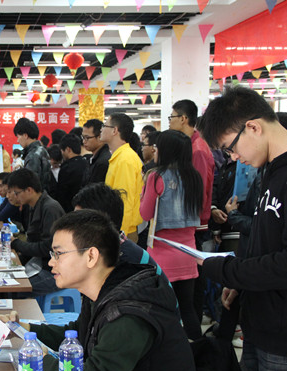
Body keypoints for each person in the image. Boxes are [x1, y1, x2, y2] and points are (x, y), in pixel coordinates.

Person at [198, 85, 287, 371]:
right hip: (264, 326)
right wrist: (242, 281)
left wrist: (229, 270)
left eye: (231, 148)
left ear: (253, 127)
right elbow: (267, 242)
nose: (234, 158)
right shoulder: (272, 173)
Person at [0, 210, 198, 371]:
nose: (51, 262)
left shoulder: (126, 315)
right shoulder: (103, 291)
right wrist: (26, 329)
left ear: (91, 256)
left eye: (58, 254)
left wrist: (42, 360)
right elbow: (80, 334)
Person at [140, 130, 203, 340]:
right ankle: (197, 352)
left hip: (162, 254)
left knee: (160, 310)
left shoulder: (156, 177)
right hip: (189, 253)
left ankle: (167, 352)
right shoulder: (194, 177)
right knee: (187, 308)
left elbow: (145, 213)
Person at [169, 99, 215, 323]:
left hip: (194, 225)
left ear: (183, 119)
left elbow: (198, 191)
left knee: (193, 282)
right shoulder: (190, 146)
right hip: (191, 223)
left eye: (172, 117)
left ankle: (193, 329)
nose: (169, 122)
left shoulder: (197, 150)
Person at [72, 183, 160, 269]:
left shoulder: (125, 262)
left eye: (79, 220)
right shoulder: (110, 248)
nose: (73, 226)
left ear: (101, 224)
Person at [8, 168, 64, 296]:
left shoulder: (50, 208)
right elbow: (33, 241)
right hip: (40, 263)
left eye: (17, 193)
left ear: (29, 190)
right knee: (5, 280)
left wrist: (16, 243)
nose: (15, 197)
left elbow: (47, 248)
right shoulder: (33, 206)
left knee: (14, 290)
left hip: (54, 270)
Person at [100, 113, 143, 241]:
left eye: (105, 125)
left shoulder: (125, 159)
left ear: (115, 130)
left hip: (124, 232)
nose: (101, 129)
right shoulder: (120, 157)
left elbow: (125, 200)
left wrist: (120, 234)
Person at [13, 117, 52, 191]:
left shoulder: (33, 155)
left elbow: (30, 185)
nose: (17, 140)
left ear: (25, 135)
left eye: (18, 137)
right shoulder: (42, 150)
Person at [56, 134, 87, 213]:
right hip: (86, 208)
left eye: (62, 150)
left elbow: (61, 194)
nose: (62, 153)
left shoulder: (66, 168)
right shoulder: (87, 163)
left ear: (68, 149)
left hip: (69, 210)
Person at [81, 118, 111, 185]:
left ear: (100, 136)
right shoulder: (94, 158)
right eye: (83, 137)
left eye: (87, 138)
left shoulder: (103, 162)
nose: (84, 141)